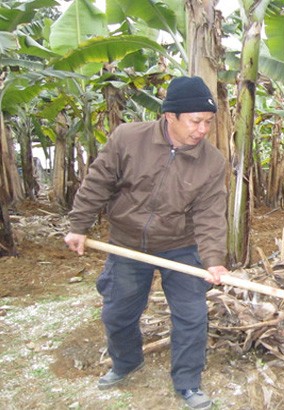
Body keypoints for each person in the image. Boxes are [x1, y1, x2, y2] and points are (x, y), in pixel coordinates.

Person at [64, 76, 228, 409]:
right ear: (170, 116)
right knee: (118, 313)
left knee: (192, 316)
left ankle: (187, 382)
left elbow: (210, 215)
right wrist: (78, 225)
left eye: (208, 122)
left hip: (181, 245)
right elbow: (98, 182)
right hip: (127, 243)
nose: (203, 130)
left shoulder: (212, 162)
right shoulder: (128, 138)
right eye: (196, 121)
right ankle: (126, 362)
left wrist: (212, 259)